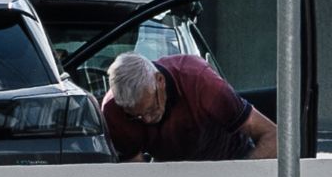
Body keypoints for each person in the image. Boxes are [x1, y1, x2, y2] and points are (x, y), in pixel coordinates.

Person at [102, 52, 280, 162]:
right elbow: (134, 171)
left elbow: (274, 136)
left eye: (151, 109)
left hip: (228, 161)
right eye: (137, 117)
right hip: (169, 172)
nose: (147, 120)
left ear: (160, 81)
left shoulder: (202, 83)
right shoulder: (113, 110)